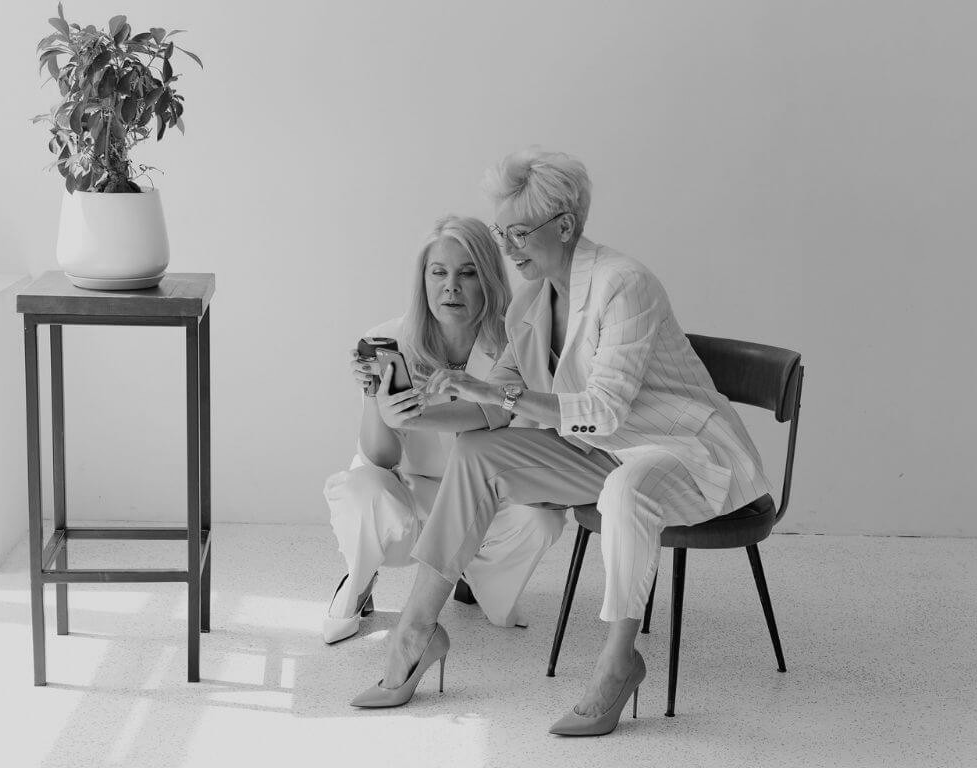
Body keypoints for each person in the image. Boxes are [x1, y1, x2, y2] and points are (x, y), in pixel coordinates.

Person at [349, 149, 771, 737]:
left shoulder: (624, 285)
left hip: (684, 454)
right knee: (477, 453)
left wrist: (495, 393)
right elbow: (490, 411)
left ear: (566, 226)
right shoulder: (530, 301)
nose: (508, 248)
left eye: (519, 233)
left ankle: (618, 663)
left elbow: (601, 410)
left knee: (626, 489)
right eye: (502, 232)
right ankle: (416, 632)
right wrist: (410, 412)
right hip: (601, 453)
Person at [321, 215, 566, 643]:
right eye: (439, 273)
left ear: (488, 280)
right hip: (410, 493)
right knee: (363, 491)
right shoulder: (388, 340)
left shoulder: (517, 344)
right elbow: (380, 459)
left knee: (540, 519)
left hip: (485, 498)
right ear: (424, 280)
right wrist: (373, 396)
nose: (451, 286)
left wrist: (417, 414)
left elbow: (507, 424)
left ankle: (482, 581)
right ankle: (359, 582)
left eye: (467, 273)